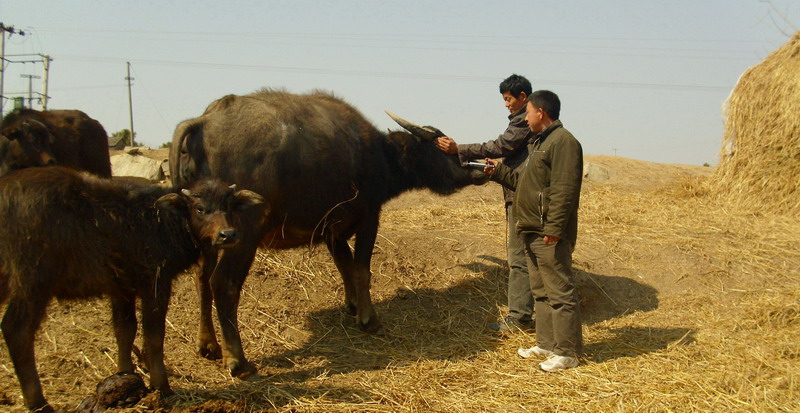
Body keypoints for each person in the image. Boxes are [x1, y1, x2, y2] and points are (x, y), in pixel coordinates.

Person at [483, 90, 583, 372]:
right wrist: (497, 172)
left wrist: (555, 228)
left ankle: (567, 353)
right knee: (541, 292)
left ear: (541, 112)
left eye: (527, 113)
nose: (525, 119)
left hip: (548, 232)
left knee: (559, 293)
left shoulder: (563, 142)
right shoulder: (540, 144)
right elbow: (524, 183)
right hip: (531, 228)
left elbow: (565, 190)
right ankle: (547, 344)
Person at [435, 74, 536, 333]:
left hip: (522, 195)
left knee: (519, 258)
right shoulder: (528, 120)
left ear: (523, 97)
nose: (506, 104)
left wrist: (459, 149)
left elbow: (502, 145)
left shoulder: (525, 120)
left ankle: (520, 318)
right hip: (522, 192)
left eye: (509, 99)